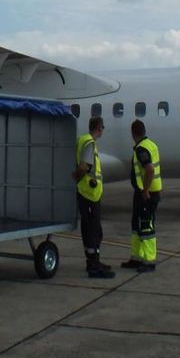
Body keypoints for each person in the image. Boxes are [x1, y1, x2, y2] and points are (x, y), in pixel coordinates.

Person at [73, 116, 115, 278]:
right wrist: (77, 178)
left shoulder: (83, 140)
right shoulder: (89, 143)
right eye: (103, 127)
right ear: (98, 127)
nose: (103, 129)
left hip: (87, 194)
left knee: (90, 228)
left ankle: (93, 261)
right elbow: (84, 167)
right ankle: (93, 266)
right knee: (94, 230)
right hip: (89, 195)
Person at [120, 119, 161, 272]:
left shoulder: (141, 149)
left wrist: (145, 190)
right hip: (145, 193)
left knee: (146, 226)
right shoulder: (151, 145)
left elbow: (150, 169)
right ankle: (136, 258)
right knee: (136, 226)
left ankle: (149, 261)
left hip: (146, 194)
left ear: (133, 133)